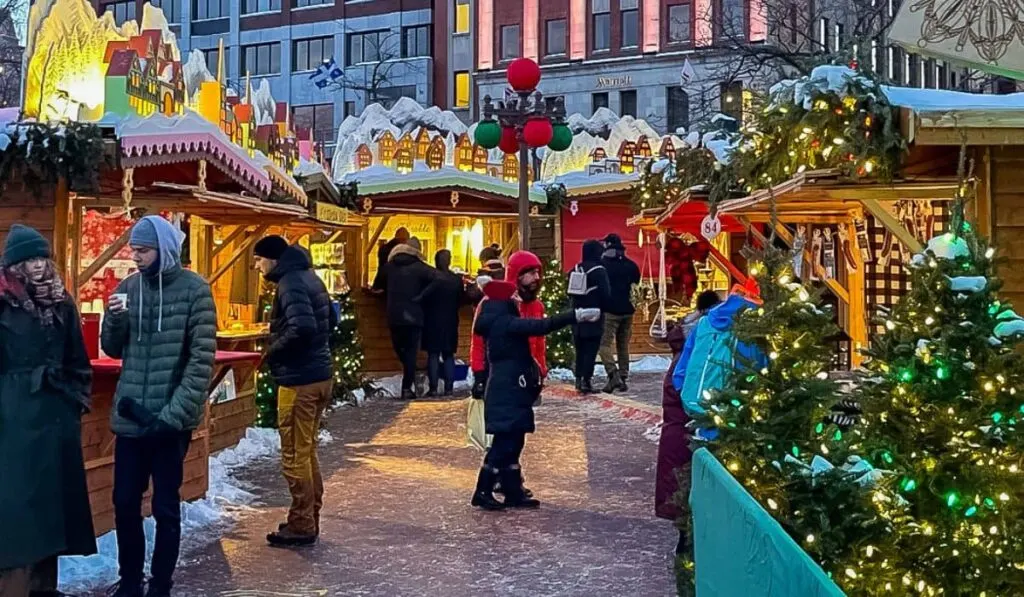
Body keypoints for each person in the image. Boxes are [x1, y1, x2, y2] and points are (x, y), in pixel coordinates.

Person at [102, 215, 217, 597]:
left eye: (144, 250)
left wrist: (173, 415)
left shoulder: (194, 290)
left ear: (164, 250)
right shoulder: (128, 288)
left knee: (166, 507)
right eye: (133, 249)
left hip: (170, 421)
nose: (136, 257)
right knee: (123, 502)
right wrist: (113, 319)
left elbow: (201, 359)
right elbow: (114, 348)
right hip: (132, 417)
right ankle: (130, 579)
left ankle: (161, 583)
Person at [0, 225, 96, 597]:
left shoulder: (61, 303)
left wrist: (74, 401)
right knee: (17, 518)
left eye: (43, 258)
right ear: (14, 265)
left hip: (55, 422)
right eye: (30, 259)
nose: (38, 266)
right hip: (12, 422)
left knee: (51, 517)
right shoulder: (3, 303)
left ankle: (44, 589)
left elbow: (77, 359)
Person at [471, 250, 600, 510]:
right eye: (530, 273)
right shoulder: (503, 318)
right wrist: (479, 374)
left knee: (516, 437)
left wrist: (539, 371)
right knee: (505, 440)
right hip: (507, 387)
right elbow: (539, 328)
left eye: (537, 272)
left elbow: (537, 342)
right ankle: (483, 490)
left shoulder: (515, 310)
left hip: (521, 383)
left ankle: (511, 488)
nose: (535, 278)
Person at [253, 236, 336, 547]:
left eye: (259, 259)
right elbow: (329, 320)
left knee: (294, 454)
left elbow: (302, 327)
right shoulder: (308, 276)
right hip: (318, 375)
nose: (257, 266)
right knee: (306, 451)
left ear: (274, 259)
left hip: (299, 380)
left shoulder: (289, 282)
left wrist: (273, 350)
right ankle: (308, 516)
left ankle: (302, 523)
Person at [655, 291, 720, 557]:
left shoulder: (686, 342)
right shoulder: (704, 345)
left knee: (682, 482)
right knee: (689, 481)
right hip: (688, 429)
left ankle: (686, 535)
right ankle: (688, 537)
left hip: (678, 431)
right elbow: (680, 391)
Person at [673, 281, 763, 417]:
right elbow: (759, 365)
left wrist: (680, 384)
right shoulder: (752, 329)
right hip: (734, 406)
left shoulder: (704, 323)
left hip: (695, 399)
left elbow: (686, 357)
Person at [375, 236, 434, 399]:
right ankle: (407, 386)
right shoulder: (421, 267)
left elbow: (376, 285)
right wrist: (423, 295)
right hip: (414, 315)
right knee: (410, 352)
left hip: (394, 314)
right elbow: (439, 280)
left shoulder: (389, 267)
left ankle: (409, 378)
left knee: (400, 349)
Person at [417, 249, 464, 397]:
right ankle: (449, 388)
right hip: (450, 320)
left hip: (432, 320)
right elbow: (461, 300)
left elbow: (422, 299)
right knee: (449, 355)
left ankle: (433, 388)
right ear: (448, 261)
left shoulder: (430, 279)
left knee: (433, 355)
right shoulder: (456, 280)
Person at [598, 233, 641, 393]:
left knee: (603, 344)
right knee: (623, 345)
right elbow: (636, 283)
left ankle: (613, 374)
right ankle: (623, 376)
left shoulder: (603, 265)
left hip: (610, 311)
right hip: (628, 310)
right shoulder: (631, 265)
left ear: (607, 245)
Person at [569, 239, 611, 394]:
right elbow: (606, 294)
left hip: (576, 314)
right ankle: (586, 380)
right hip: (594, 314)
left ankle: (579, 379)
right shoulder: (599, 270)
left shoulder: (576, 268)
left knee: (579, 348)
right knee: (591, 349)